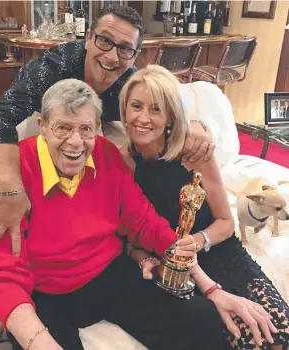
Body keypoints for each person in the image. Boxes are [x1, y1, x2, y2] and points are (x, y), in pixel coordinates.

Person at [0, 78, 229, 350]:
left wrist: (209, 286)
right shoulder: (12, 180)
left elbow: (144, 221)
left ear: (97, 129)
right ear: (43, 128)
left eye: (86, 129)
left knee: (202, 319)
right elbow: (2, 274)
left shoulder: (106, 155)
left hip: (109, 275)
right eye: (63, 127)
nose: (75, 142)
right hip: (43, 291)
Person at [0, 4, 215, 256]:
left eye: (125, 48)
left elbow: (165, 106)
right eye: (104, 41)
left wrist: (195, 125)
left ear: (134, 55)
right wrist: (10, 187)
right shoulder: (53, 68)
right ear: (88, 38)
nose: (111, 56)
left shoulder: (128, 82)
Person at [118, 65, 289, 350]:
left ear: (170, 115)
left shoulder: (193, 153)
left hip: (219, 252)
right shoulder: (122, 162)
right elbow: (127, 235)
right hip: (173, 267)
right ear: (124, 110)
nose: (143, 118)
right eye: (136, 106)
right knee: (241, 341)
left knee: (277, 333)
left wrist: (195, 243)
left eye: (156, 109)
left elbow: (225, 221)